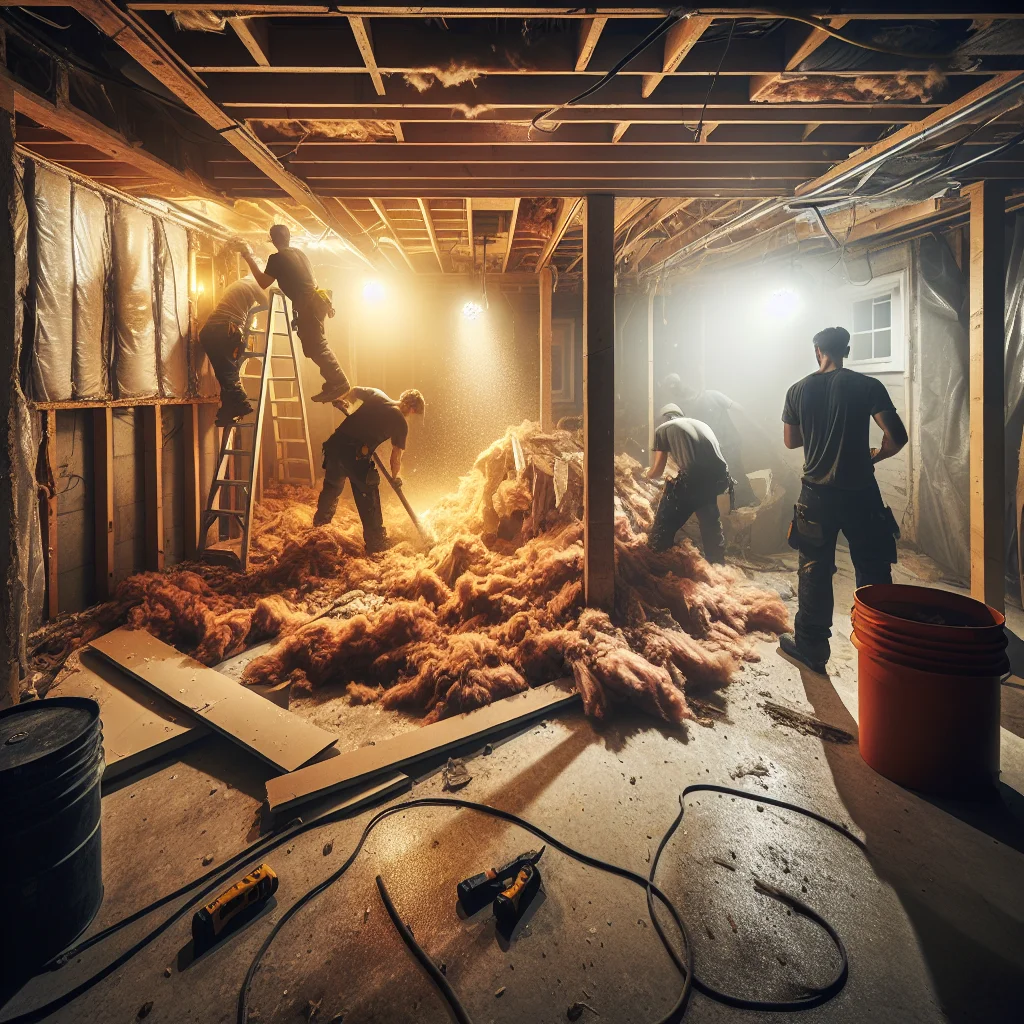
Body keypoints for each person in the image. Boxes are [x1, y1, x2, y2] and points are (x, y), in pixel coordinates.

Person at [779, 325, 908, 673]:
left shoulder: (797, 390)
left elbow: (791, 442)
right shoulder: (867, 386)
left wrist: (821, 433)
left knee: (814, 569)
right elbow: (897, 437)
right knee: (874, 565)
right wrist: (875, 456)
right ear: (846, 351)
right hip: (861, 494)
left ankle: (811, 648)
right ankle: (882, 644)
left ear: (816, 350)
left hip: (816, 495)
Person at [242, 224, 351, 404]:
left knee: (318, 346)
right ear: (289, 238)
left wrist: (248, 257)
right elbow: (298, 281)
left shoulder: (276, 258)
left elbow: (262, 282)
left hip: (309, 306)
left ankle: (340, 382)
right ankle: (333, 383)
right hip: (315, 303)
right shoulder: (300, 254)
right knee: (312, 347)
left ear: (273, 240)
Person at [313, 387, 426, 552]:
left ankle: (318, 531)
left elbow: (355, 390)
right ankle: (376, 543)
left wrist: (345, 402)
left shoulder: (378, 394)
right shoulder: (401, 422)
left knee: (332, 489)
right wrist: (396, 478)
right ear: (412, 409)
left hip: (335, 447)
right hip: (355, 456)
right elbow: (395, 457)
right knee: (368, 494)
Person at [645, 403, 732, 564]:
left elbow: (657, 471)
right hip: (719, 477)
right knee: (709, 522)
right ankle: (717, 564)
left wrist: (645, 475)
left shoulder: (662, 429)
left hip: (694, 479)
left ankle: (655, 564)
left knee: (663, 527)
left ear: (662, 418)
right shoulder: (701, 424)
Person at [663, 374, 759, 507]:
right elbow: (738, 408)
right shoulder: (712, 395)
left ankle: (747, 501)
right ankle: (737, 503)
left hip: (723, 444)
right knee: (729, 472)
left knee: (734, 471)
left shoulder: (685, 407)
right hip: (724, 443)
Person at [198, 275, 266, 426]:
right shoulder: (255, 283)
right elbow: (267, 302)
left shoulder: (240, 283)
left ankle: (228, 409)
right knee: (228, 371)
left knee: (224, 372)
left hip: (209, 331)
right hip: (225, 328)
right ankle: (240, 403)